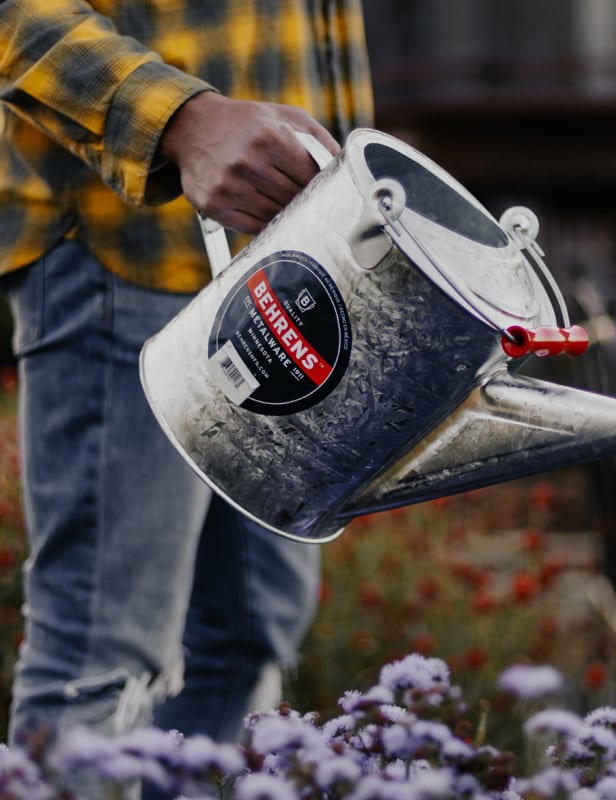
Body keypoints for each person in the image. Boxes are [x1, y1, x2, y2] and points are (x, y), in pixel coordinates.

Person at [0, 0, 373, 771]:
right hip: (123, 241)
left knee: (247, 635)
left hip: (286, 262)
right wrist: (182, 120)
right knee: (105, 663)